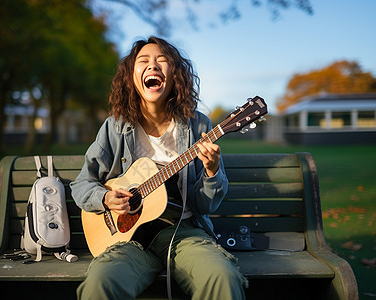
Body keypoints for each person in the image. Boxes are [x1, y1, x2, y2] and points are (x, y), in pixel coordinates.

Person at [70, 36, 247, 299]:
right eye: (144, 61)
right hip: (127, 240)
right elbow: (81, 185)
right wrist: (105, 198)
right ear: (131, 76)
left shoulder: (198, 126)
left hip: (184, 234)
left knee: (222, 278)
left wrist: (211, 171)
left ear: (175, 75)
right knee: (101, 284)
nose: (153, 66)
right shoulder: (114, 127)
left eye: (162, 61)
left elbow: (206, 206)